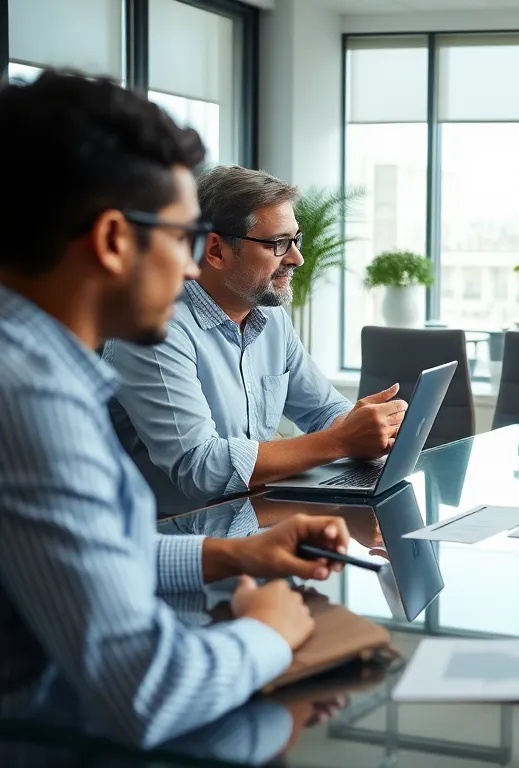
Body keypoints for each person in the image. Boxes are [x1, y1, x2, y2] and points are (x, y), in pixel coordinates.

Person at [0, 71, 355, 747]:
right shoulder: (32, 398)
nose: (194, 268)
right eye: (183, 237)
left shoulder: (37, 368)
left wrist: (237, 552)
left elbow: (95, 558)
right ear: (111, 241)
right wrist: (268, 634)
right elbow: (148, 689)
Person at [103, 165, 408, 516]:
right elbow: (200, 468)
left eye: (296, 240)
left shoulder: (270, 316)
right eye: (278, 244)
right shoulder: (153, 330)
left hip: (253, 526)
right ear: (215, 250)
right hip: (171, 542)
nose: (297, 258)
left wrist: (367, 428)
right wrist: (341, 441)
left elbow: (323, 410)